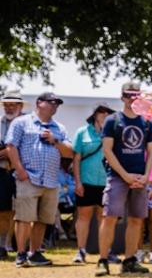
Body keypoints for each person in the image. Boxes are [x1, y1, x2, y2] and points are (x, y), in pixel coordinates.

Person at [5, 92, 73, 266]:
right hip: (28, 177)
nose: (55, 106)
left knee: (43, 219)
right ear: (39, 103)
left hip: (51, 179)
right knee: (24, 218)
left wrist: (54, 140)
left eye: (57, 103)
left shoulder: (59, 128)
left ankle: (34, 253)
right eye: (51, 102)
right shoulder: (21, 122)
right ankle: (20, 253)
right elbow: (11, 146)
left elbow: (69, 152)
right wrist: (20, 170)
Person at [96, 82, 152, 276]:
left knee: (137, 219)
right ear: (122, 97)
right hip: (118, 176)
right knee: (110, 217)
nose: (132, 99)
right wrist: (124, 175)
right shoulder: (113, 120)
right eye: (128, 95)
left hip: (139, 177)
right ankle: (103, 260)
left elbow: (151, 151)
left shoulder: (146, 122)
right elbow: (107, 150)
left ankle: (130, 260)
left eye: (136, 95)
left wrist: (146, 176)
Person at [71, 104, 115, 263]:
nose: (105, 114)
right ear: (94, 115)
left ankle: (106, 252)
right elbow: (76, 159)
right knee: (83, 217)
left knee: (105, 218)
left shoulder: (112, 132)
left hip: (107, 181)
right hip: (86, 180)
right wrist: (77, 182)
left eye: (108, 112)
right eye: (101, 112)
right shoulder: (82, 132)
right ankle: (81, 251)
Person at [0, 92, 26, 259]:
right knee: (3, 210)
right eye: (6, 105)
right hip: (2, 171)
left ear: (20, 106)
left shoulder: (28, 123)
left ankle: (20, 247)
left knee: (21, 211)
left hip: (22, 172)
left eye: (13, 105)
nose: (9, 108)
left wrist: (11, 153)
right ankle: (3, 245)